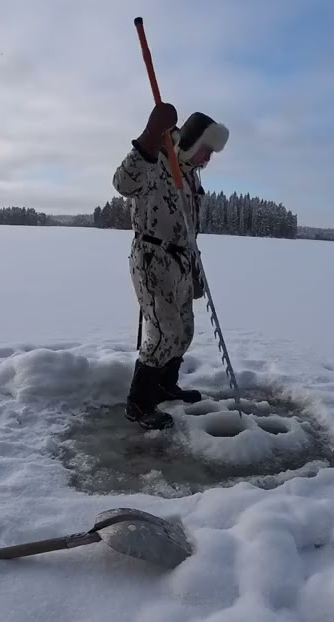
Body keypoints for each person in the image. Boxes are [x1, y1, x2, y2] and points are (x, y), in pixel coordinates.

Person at [112, 103, 229, 430]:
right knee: (165, 334)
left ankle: (165, 385)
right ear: (192, 143)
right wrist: (149, 136)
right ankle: (139, 403)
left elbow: (189, 225)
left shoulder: (190, 174)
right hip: (153, 259)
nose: (209, 159)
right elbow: (122, 183)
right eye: (206, 150)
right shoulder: (157, 160)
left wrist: (194, 269)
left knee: (185, 331)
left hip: (181, 260)